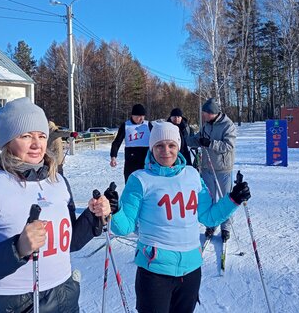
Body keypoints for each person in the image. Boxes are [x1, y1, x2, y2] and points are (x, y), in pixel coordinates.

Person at [0, 97, 111, 313]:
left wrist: (93, 216)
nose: (37, 144)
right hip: (11, 304)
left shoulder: (58, 181)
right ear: (7, 142)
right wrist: (17, 249)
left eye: (41, 136)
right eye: (26, 136)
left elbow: (68, 244)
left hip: (64, 297)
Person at [104, 121, 251, 313]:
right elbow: (124, 227)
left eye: (171, 145)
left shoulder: (192, 175)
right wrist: (114, 211)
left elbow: (208, 217)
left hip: (191, 270)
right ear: (152, 147)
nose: (166, 151)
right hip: (155, 271)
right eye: (159, 145)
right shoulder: (140, 179)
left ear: (179, 146)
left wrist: (233, 199)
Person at [187, 97, 237, 241]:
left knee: (225, 199)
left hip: (223, 169)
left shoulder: (228, 125)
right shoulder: (206, 126)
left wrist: (210, 143)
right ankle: (211, 223)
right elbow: (198, 139)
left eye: (205, 113)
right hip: (207, 168)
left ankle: (226, 227)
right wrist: (185, 138)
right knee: (209, 199)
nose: (203, 115)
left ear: (213, 112)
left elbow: (228, 146)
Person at [110, 103, 151, 182]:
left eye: (142, 117)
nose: (141, 119)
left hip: (146, 159)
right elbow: (117, 142)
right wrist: (113, 157)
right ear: (133, 116)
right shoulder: (126, 125)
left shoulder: (148, 125)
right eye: (138, 117)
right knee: (131, 182)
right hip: (131, 160)